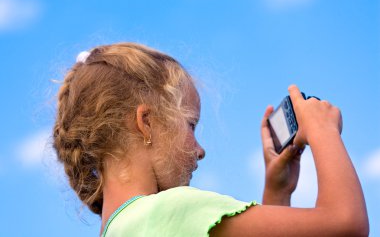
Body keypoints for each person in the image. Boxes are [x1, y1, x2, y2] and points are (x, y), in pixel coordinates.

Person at [53, 42, 369, 236]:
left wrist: (277, 190)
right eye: (191, 125)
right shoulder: (168, 212)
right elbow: (345, 225)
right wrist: (324, 130)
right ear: (146, 123)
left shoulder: (123, 229)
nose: (199, 150)